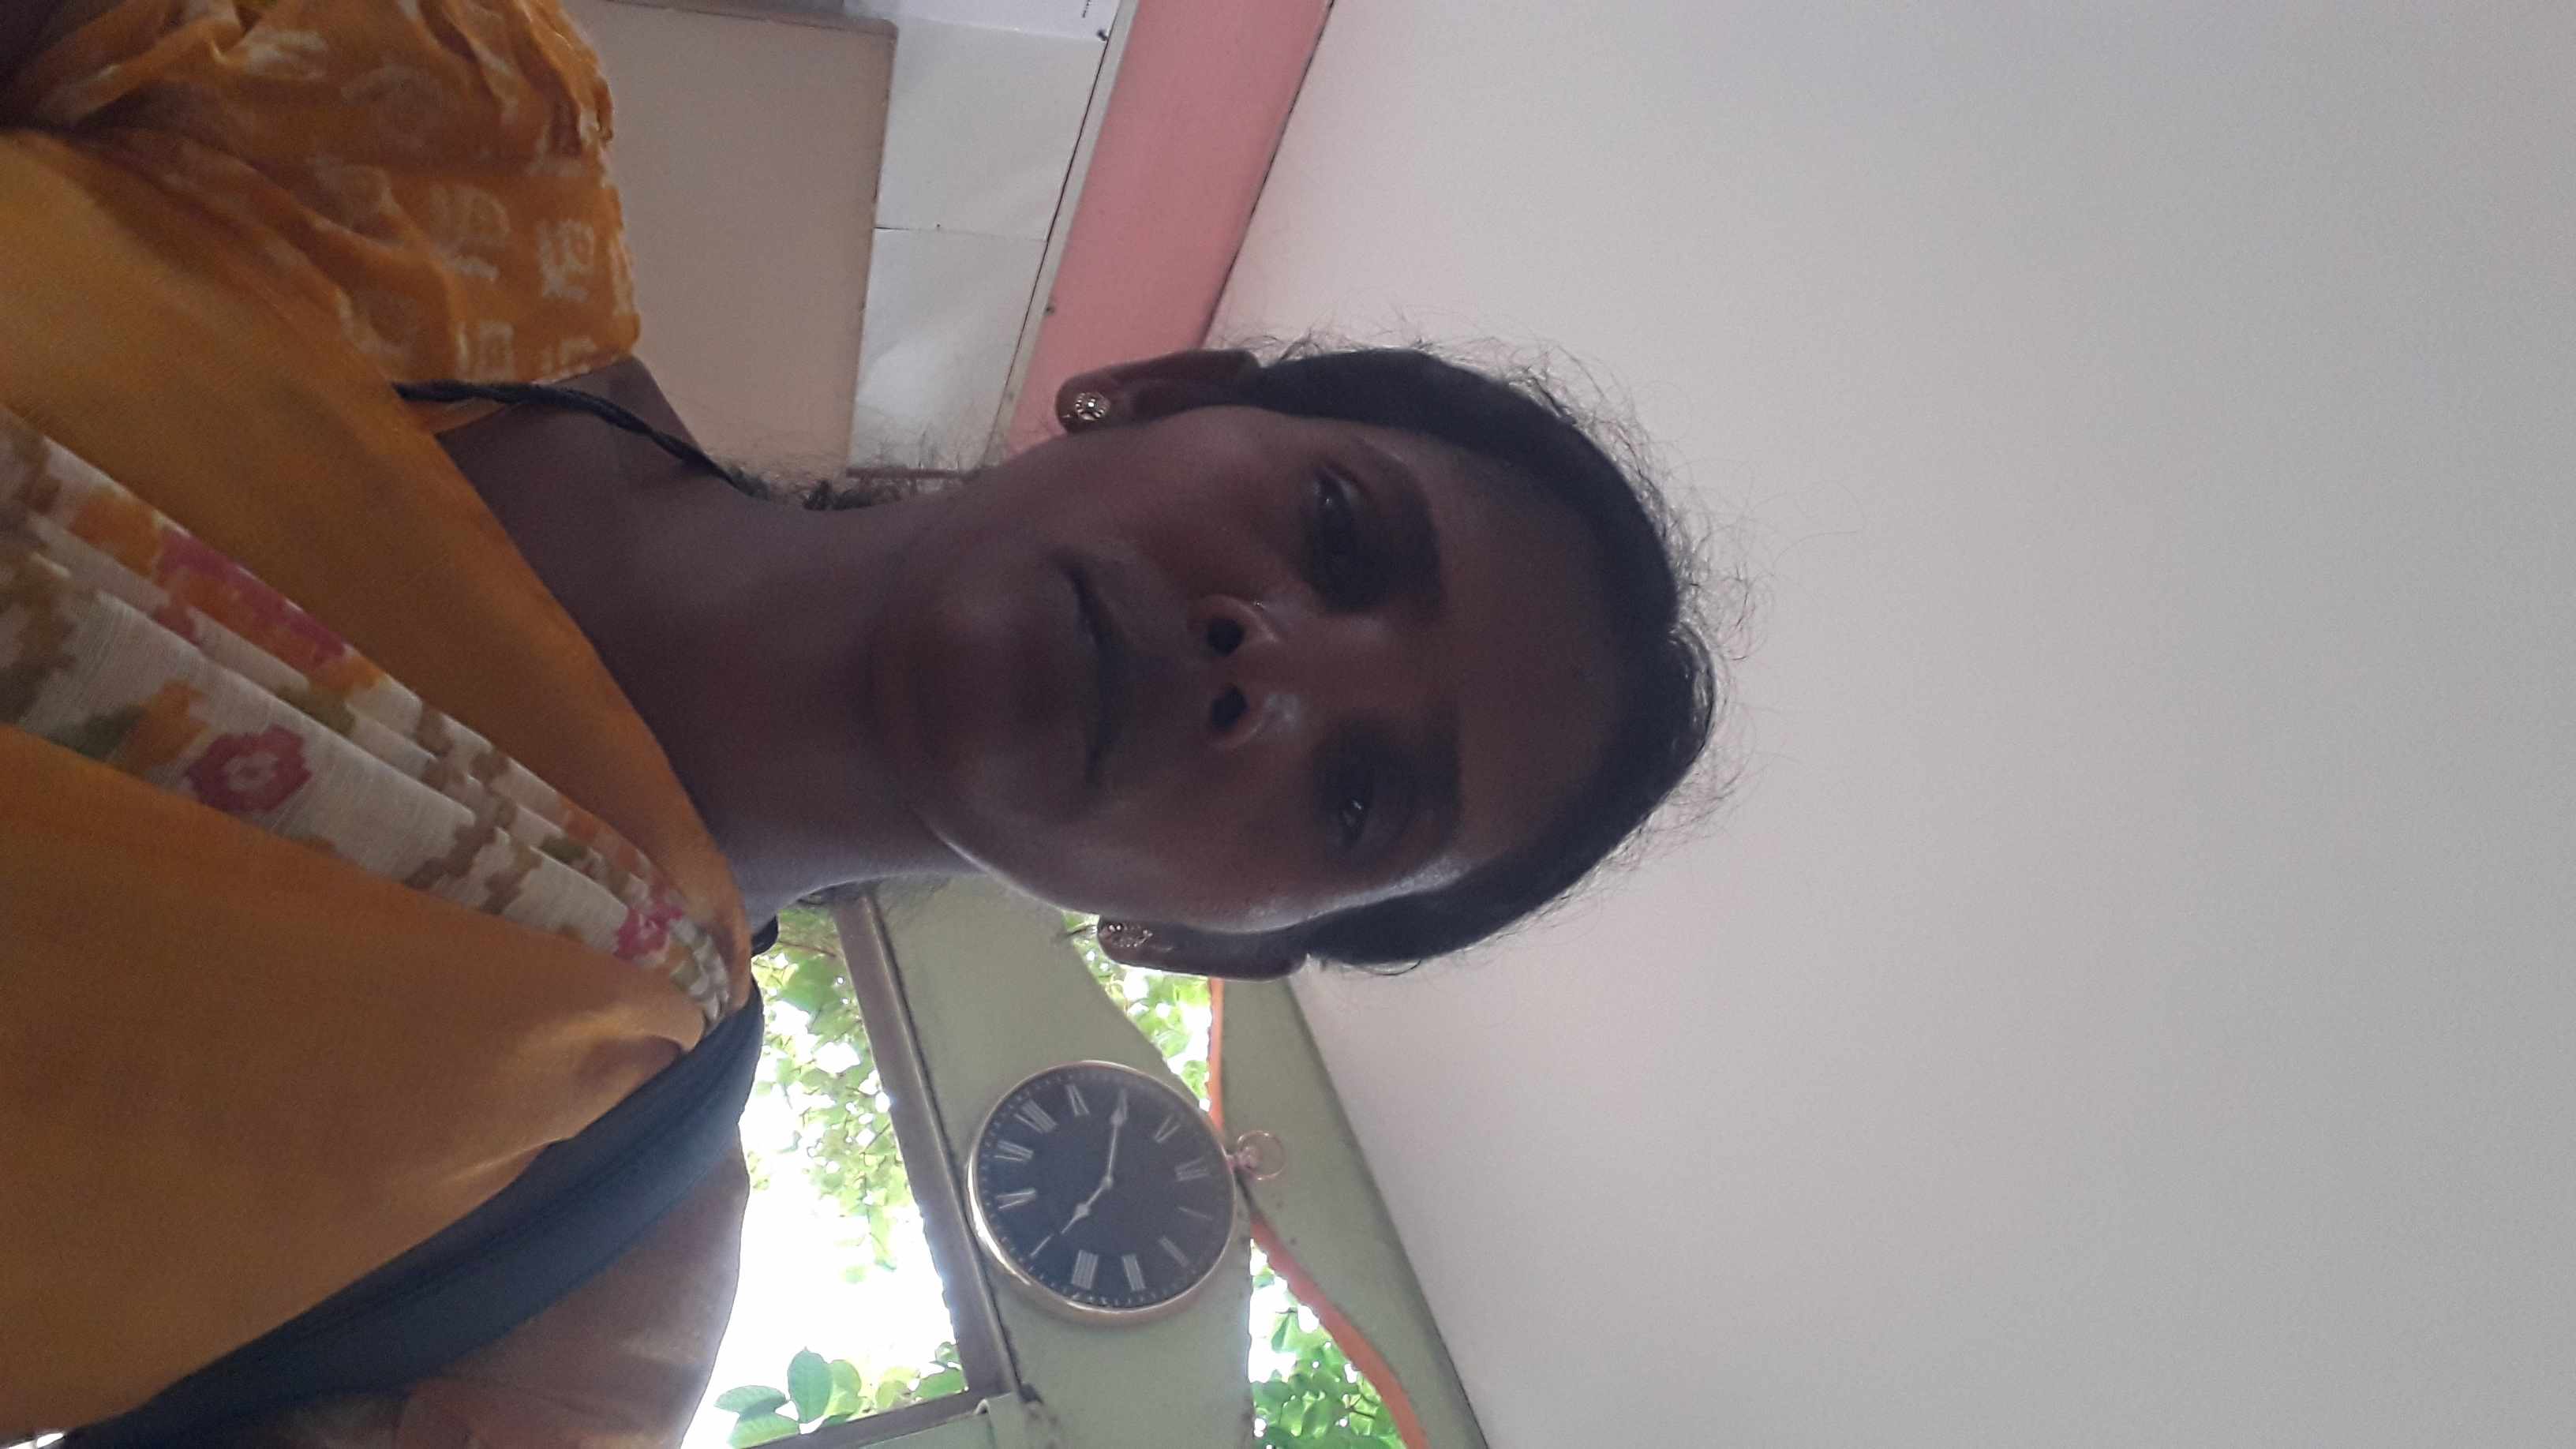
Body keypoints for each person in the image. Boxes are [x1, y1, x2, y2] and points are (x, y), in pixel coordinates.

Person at [0, 1, 1718, 1443]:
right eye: (1339, 535)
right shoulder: (441, 143)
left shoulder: (563, 1313)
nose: (1263, 671)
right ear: (1160, 395)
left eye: (1357, 799)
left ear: (1203, 942)